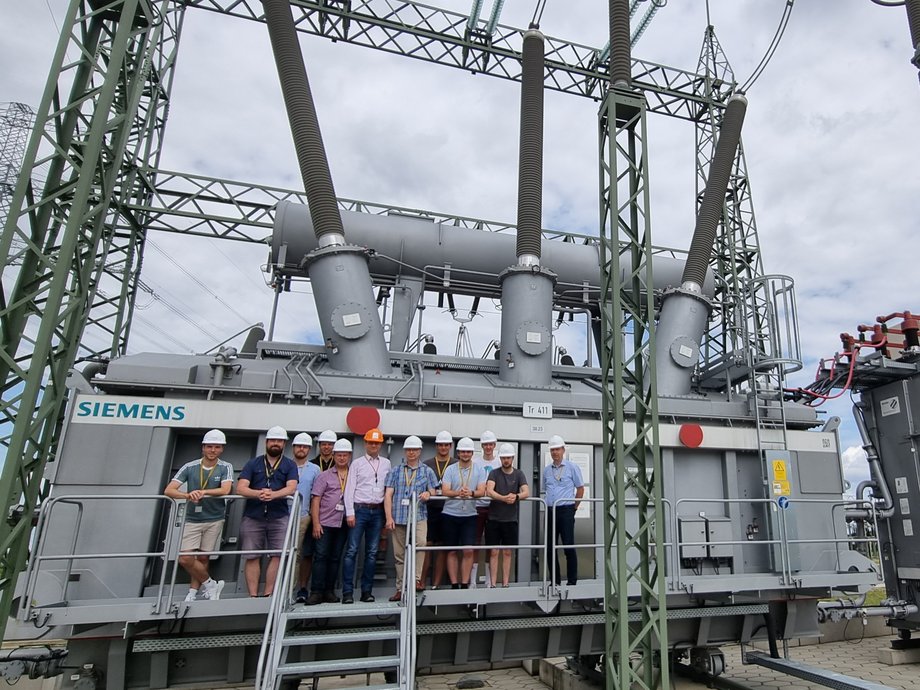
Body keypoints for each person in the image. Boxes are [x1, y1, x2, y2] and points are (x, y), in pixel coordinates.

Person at [164, 429, 234, 602]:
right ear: (203, 447)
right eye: (209, 446)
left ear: (222, 449)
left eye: (217, 447)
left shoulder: (226, 467)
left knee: (203, 557)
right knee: (186, 558)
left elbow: (226, 489)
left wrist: (203, 492)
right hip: (192, 519)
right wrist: (188, 496)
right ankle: (211, 584)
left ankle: (193, 592)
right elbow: (169, 490)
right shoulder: (190, 467)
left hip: (214, 518)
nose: (213, 450)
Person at [236, 426, 299, 597]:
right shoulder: (253, 463)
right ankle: (253, 595)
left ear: (284, 444)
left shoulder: (289, 465)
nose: (276, 444)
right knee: (252, 556)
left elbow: (292, 487)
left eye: (279, 441)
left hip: (279, 516)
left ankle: (268, 594)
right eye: (273, 441)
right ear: (267, 442)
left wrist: (274, 495)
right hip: (253, 516)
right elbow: (241, 488)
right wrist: (259, 494)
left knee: (277, 555)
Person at [383, 435, 438, 601]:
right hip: (399, 516)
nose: (411, 452)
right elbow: (388, 495)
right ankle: (400, 588)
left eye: (414, 449)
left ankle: (415, 580)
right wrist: (388, 517)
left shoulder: (427, 471)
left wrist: (429, 493)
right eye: (409, 449)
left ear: (419, 451)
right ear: (405, 451)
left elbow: (434, 490)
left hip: (419, 515)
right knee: (399, 554)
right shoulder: (395, 470)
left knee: (420, 544)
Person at [342, 428, 391, 604]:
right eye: (371, 442)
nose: (373, 445)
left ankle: (366, 592)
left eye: (376, 443)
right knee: (352, 551)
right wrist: (350, 512)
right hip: (359, 509)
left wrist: (387, 515)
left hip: (377, 511)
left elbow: (387, 491)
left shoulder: (386, 464)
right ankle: (347, 592)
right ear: (365, 443)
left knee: (371, 552)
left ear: (380, 444)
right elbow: (349, 489)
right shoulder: (357, 464)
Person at [306, 438, 353, 606]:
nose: (341, 458)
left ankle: (329, 591)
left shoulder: (353, 476)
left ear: (349, 456)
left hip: (343, 524)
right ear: (333, 456)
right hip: (325, 522)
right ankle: (316, 592)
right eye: (339, 455)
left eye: (345, 455)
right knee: (320, 557)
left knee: (335, 558)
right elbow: (316, 500)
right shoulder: (323, 476)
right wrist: (316, 523)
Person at [441, 437, 487, 588]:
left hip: (470, 515)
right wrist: (457, 493)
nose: (465, 454)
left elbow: (482, 491)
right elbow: (445, 490)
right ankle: (455, 583)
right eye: (463, 451)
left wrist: (471, 493)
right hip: (449, 514)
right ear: (458, 453)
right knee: (451, 551)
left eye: (468, 451)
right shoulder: (450, 469)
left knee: (468, 551)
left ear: (472, 453)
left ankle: (465, 582)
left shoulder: (479, 470)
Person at [541, 435, 584, 586]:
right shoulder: (547, 470)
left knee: (568, 545)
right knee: (549, 547)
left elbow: (580, 489)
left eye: (557, 449)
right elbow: (544, 489)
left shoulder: (572, 467)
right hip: (550, 510)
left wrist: (574, 508)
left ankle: (572, 581)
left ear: (563, 450)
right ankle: (555, 581)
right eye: (552, 450)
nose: (555, 452)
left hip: (566, 510)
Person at [485, 443, 529, 587]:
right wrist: (503, 498)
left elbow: (526, 492)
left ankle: (505, 583)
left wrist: (515, 497)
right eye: (504, 458)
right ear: (500, 458)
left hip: (510, 519)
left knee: (508, 552)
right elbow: (489, 490)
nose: (506, 460)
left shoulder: (519, 474)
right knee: (494, 552)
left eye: (508, 458)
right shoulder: (494, 473)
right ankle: (492, 583)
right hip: (494, 518)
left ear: (513, 458)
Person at [421, 430, 456, 588]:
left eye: (446, 445)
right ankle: (420, 581)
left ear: (450, 446)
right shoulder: (427, 464)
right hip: (429, 510)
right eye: (440, 445)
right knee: (426, 546)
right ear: (436, 446)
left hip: (449, 510)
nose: (443, 447)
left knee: (442, 548)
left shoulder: (456, 463)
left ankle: (436, 584)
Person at [292, 432, 320, 603]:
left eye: (304, 446)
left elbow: (317, 495)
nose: (301, 448)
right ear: (293, 447)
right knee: (285, 554)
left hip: (306, 516)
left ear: (309, 449)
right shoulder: (285, 465)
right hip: (284, 516)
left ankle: (300, 588)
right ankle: (281, 590)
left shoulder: (315, 469)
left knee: (305, 553)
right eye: (298, 446)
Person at [471, 430, 498, 586]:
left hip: (495, 508)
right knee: (475, 543)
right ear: (482, 446)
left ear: (494, 445)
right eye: (485, 444)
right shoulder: (475, 462)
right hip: (478, 507)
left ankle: (489, 579)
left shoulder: (499, 462)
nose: (488, 447)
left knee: (491, 544)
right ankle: (473, 580)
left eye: (490, 444)